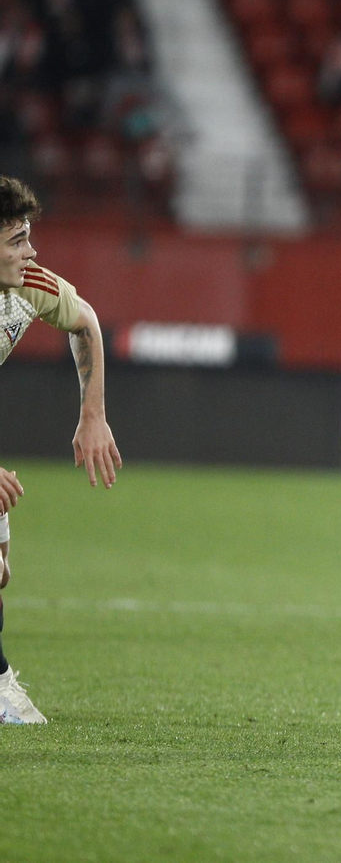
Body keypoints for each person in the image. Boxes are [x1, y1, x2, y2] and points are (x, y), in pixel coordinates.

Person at [0, 176, 122, 724]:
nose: (30, 251)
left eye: (28, 236)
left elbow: (86, 322)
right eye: (16, 240)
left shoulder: (26, 284)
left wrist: (92, 416)